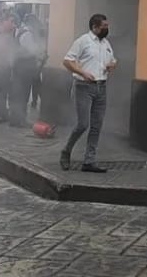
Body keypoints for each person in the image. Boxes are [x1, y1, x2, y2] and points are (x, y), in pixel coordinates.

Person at [60, 14, 116, 173]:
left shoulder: (106, 43)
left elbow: (112, 60)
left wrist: (112, 65)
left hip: (101, 87)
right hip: (83, 86)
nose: (107, 29)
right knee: (83, 124)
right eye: (104, 26)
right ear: (94, 27)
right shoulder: (83, 41)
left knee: (97, 125)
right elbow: (67, 61)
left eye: (107, 25)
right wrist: (82, 72)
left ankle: (89, 161)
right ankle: (66, 151)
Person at [9, 14, 43, 128]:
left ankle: (15, 119)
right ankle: (20, 120)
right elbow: (33, 50)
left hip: (20, 67)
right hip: (24, 68)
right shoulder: (27, 34)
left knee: (19, 94)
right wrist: (40, 52)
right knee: (23, 94)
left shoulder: (21, 31)